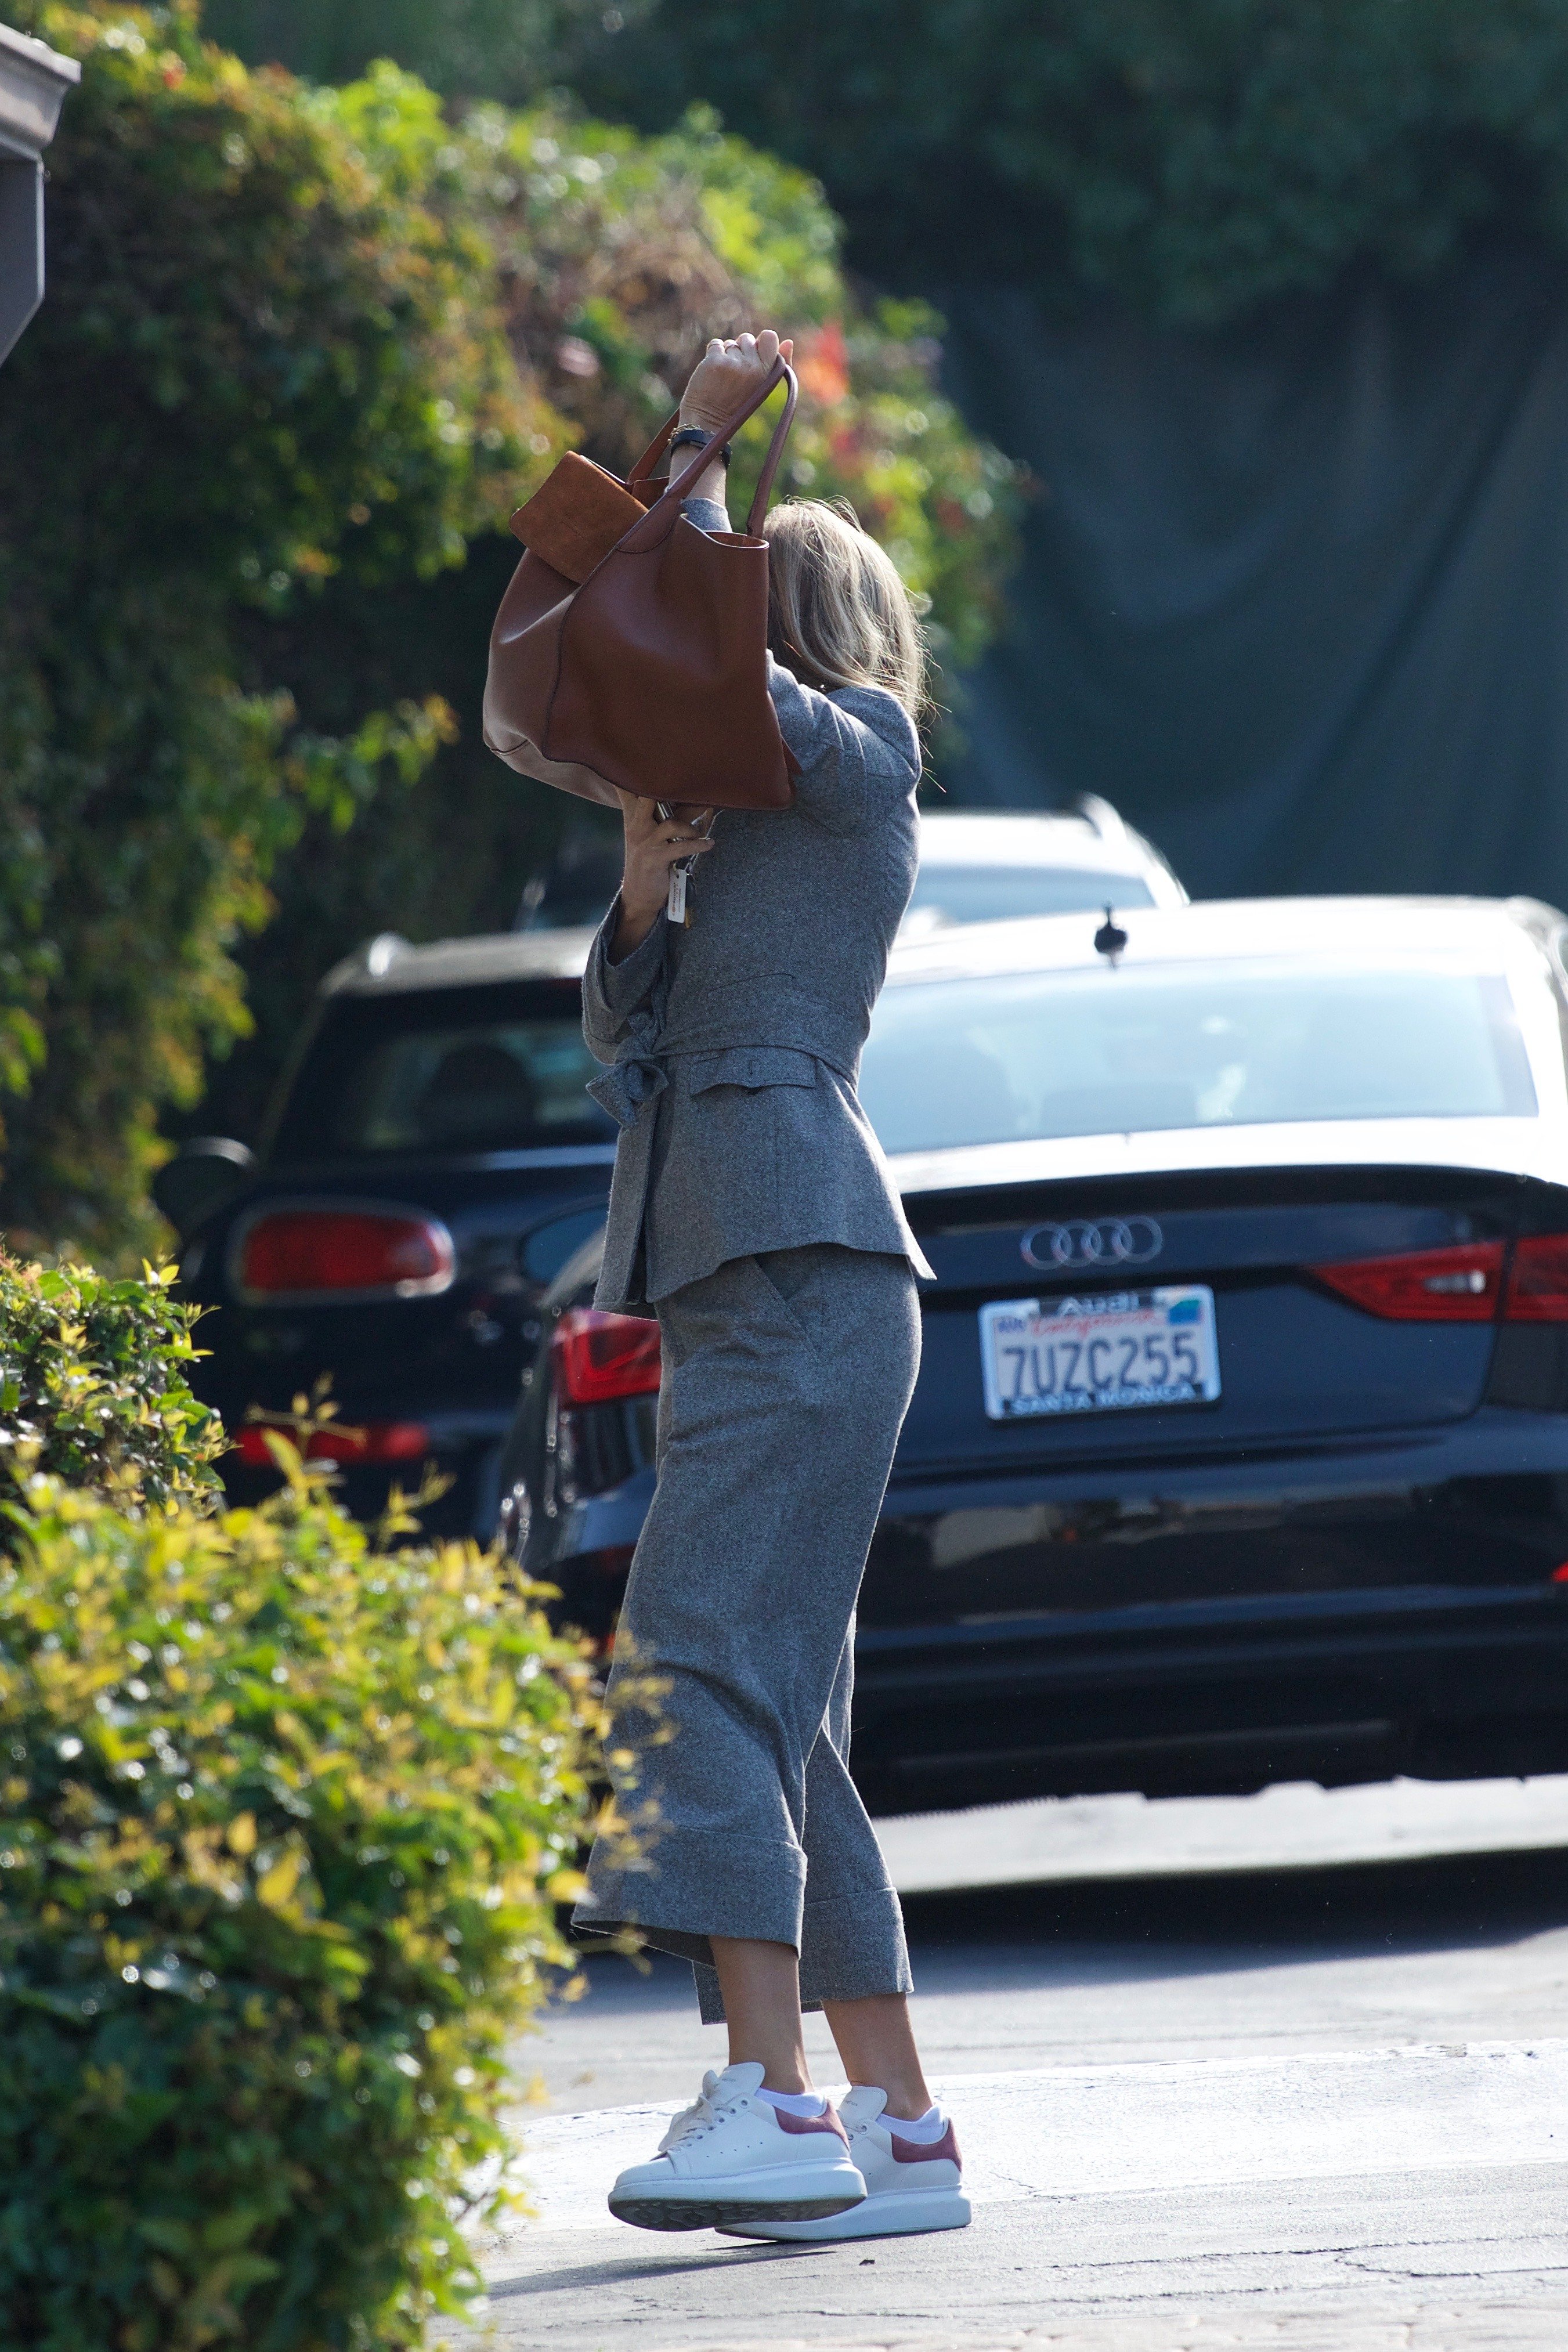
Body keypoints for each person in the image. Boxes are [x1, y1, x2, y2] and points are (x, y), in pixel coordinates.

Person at [570, 328, 969, 2245]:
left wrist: (700, 451)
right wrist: (647, 891)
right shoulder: (744, 823)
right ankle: (894, 2128)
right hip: (755, 1273)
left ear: (795, 631)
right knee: (784, 1707)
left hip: (799, 1263)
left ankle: (769, 2106)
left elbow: (713, 658)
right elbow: (624, 1053)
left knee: (693, 1667)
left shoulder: (860, 757)